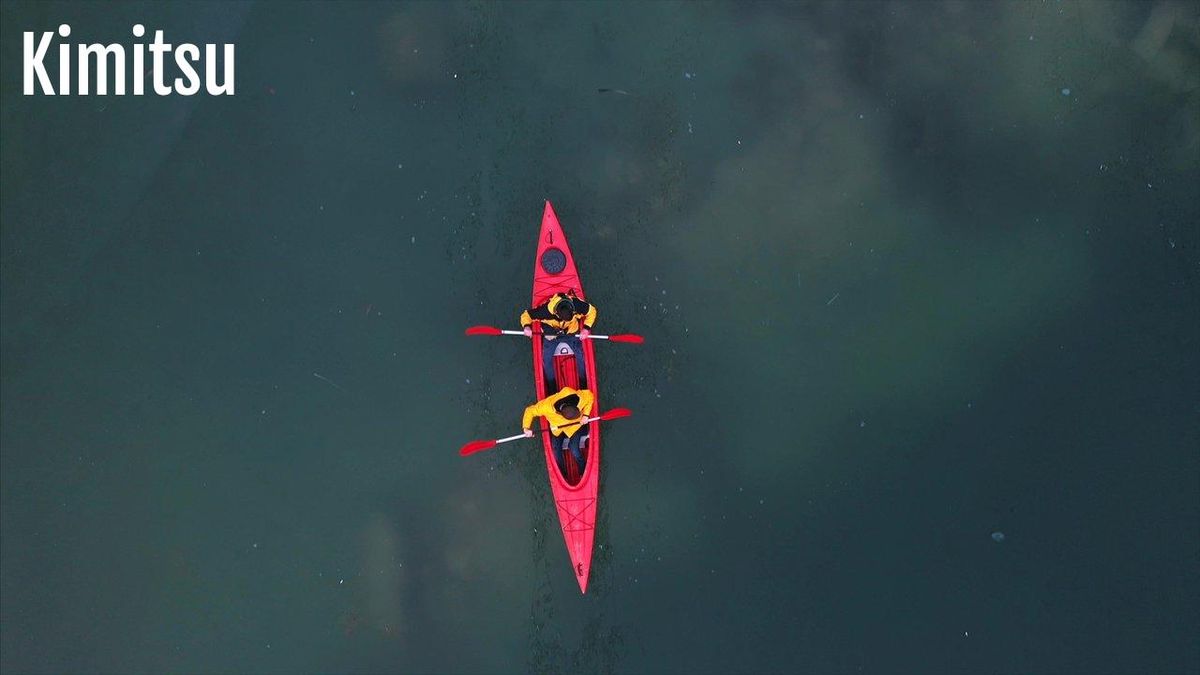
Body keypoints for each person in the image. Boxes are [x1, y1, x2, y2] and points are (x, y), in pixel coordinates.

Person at [519, 292, 596, 385]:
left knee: (581, 357)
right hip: (552, 336)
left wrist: (586, 329)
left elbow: (592, 311)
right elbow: (526, 315)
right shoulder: (545, 311)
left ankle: (583, 383)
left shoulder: (577, 305)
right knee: (546, 360)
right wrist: (527, 327)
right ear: (556, 314)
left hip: (571, 334)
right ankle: (552, 386)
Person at [522, 386, 595, 476]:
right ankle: (562, 473)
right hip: (557, 429)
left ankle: (583, 468)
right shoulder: (546, 407)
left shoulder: (579, 398)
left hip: (575, 426)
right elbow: (530, 411)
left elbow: (590, 396)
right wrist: (526, 428)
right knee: (556, 450)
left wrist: (586, 415)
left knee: (574, 449)